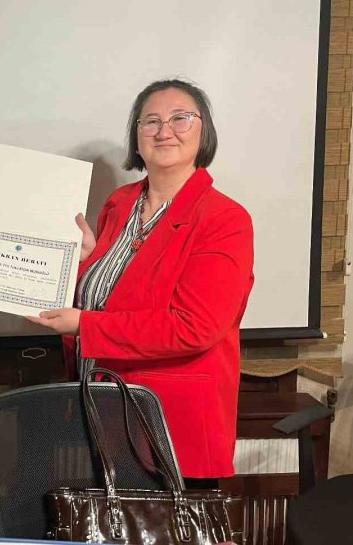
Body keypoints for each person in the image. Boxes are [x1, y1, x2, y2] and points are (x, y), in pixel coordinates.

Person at [26, 78, 254, 486]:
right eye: (150, 121)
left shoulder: (224, 220)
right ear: (137, 135)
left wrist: (83, 325)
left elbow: (193, 327)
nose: (164, 131)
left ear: (203, 131)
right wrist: (82, 263)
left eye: (180, 118)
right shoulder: (119, 203)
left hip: (168, 426)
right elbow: (110, 297)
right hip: (101, 409)